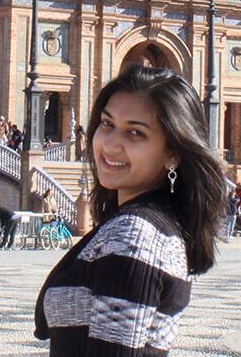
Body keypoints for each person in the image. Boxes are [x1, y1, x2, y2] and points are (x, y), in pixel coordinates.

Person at [35, 65, 229, 355]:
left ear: (173, 153)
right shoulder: (154, 225)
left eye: (135, 132)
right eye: (107, 123)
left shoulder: (135, 235)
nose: (110, 144)